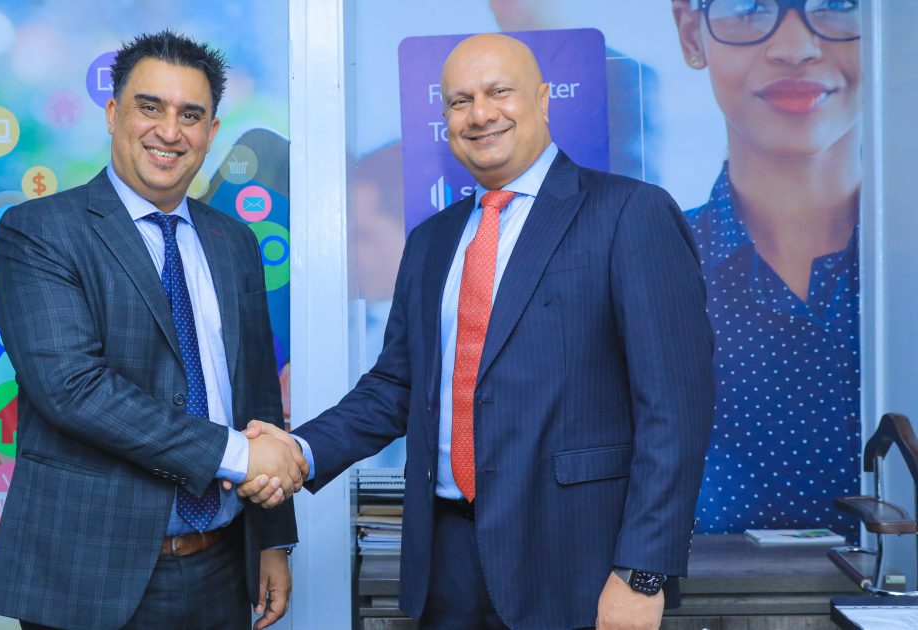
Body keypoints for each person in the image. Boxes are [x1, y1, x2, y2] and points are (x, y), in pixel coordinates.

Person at [245, 34, 714, 629]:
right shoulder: (431, 241)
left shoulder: (629, 212)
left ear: (543, 99)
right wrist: (300, 452)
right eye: (460, 101)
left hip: (579, 567)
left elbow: (675, 410)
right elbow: (395, 387)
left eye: (499, 92)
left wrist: (642, 573)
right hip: (446, 560)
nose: (480, 114)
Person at [0, 31, 304, 630]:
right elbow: (73, 390)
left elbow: (257, 394)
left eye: (191, 115)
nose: (169, 131)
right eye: (150, 107)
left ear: (211, 131)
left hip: (221, 567)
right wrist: (237, 455)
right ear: (112, 114)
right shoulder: (41, 231)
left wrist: (272, 540)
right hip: (88, 576)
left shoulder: (234, 242)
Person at [671, 0, 862, 537]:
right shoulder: (649, 262)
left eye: (839, 3)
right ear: (691, 32)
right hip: (700, 589)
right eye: (749, 7)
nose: (795, 48)